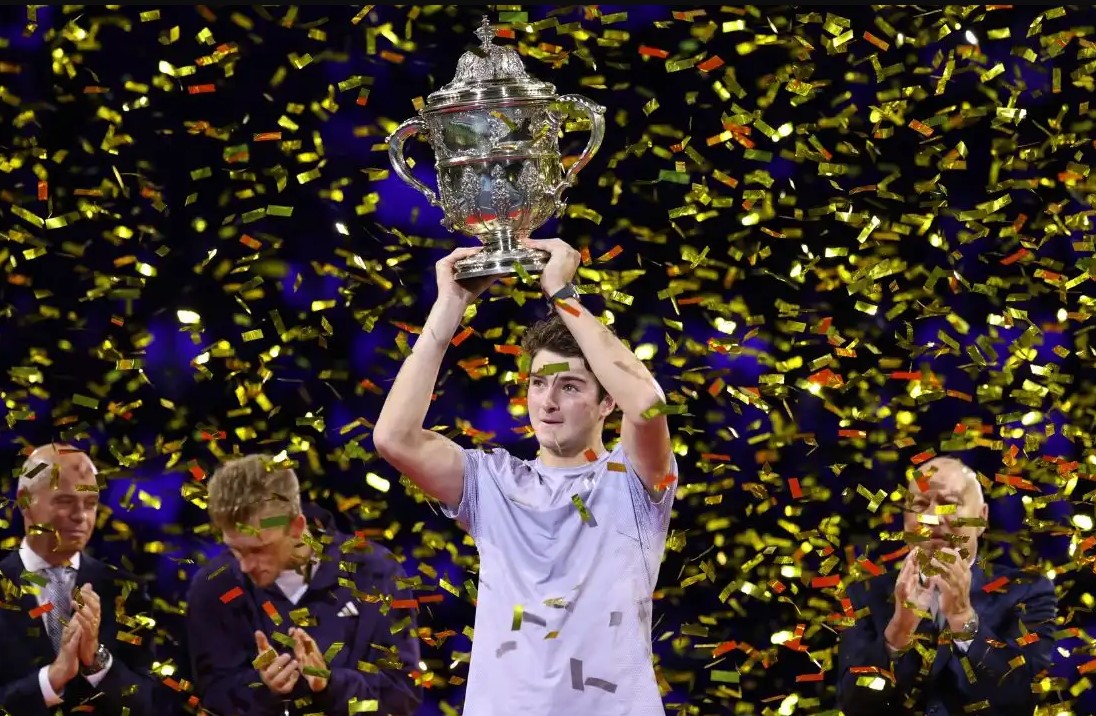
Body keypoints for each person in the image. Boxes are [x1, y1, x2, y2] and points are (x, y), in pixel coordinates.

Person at [374, 238, 678, 715]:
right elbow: (394, 437)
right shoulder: (492, 482)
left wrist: (562, 293)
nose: (548, 402)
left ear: (607, 401)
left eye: (570, 386)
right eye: (539, 383)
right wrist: (450, 305)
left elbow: (648, 405)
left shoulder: (631, 479)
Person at [185, 453, 422, 716]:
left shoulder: (376, 573)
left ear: (297, 527)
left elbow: (402, 694)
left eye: (259, 549)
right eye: (236, 549)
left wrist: (331, 684)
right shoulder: (214, 587)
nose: (245, 566)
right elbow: (211, 696)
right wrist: (262, 688)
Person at [837, 456, 1058, 715]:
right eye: (920, 504)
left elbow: (1023, 699)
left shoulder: (1029, 590)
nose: (932, 518)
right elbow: (854, 705)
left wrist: (963, 618)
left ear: (982, 518)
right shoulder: (861, 594)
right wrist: (900, 628)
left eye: (949, 504)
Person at [0, 443, 160, 716]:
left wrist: (96, 661)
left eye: (90, 504)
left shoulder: (126, 591)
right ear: (25, 501)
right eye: (65, 501)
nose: (81, 517)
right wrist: (51, 679)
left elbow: (149, 705)